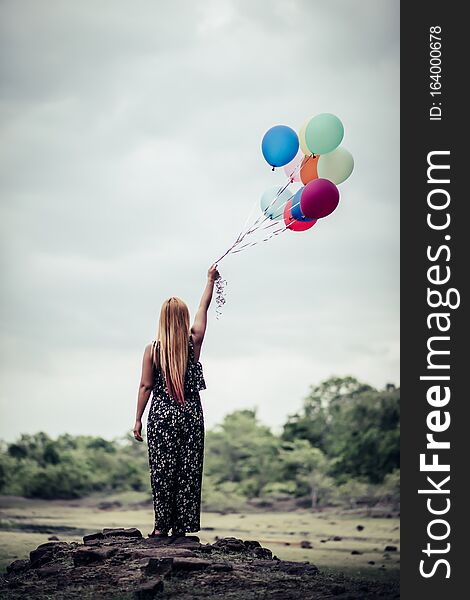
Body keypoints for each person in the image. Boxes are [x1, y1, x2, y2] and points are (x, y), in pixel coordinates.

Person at [133, 264, 219, 538]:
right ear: (183, 319)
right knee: (188, 471)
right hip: (190, 414)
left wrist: (137, 419)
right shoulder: (194, 342)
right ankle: (182, 528)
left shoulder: (152, 350)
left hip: (161, 415)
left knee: (162, 471)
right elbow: (203, 309)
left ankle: (161, 527)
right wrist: (209, 281)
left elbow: (146, 386)